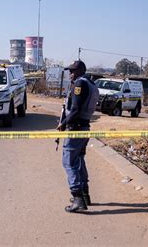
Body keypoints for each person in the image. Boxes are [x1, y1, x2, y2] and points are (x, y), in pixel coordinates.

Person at [57, 60, 99, 213]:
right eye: (70, 71)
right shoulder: (91, 83)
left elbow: (75, 110)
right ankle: (84, 194)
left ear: (81, 70)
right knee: (79, 159)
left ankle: (78, 198)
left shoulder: (80, 85)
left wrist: (63, 123)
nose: (70, 74)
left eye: (73, 71)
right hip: (84, 127)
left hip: (76, 128)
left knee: (69, 162)